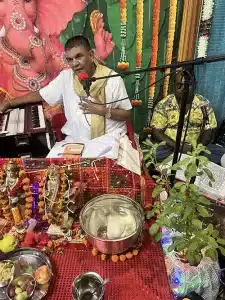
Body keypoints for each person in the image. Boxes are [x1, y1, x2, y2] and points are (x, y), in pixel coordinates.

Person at [0, 35, 134, 159]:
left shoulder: (113, 79)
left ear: (91, 54)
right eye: (70, 59)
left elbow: (127, 113)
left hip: (107, 140)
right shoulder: (66, 77)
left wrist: (103, 111)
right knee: (52, 170)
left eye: (79, 56)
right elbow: (41, 94)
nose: (75, 63)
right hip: (75, 141)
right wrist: (10, 103)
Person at [150, 69, 225, 165]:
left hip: (196, 148)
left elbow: (209, 131)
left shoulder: (204, 104)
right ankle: (189, 163)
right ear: (174, 86)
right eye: (179, 85)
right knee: (155, 153)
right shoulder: (164, 105)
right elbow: (157, 132)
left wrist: (197, 148)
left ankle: (187, 161)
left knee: (219, 152)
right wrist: (179, 147)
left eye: (187, 85)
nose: (183, 89)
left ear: (194, 85)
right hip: (171, 148)